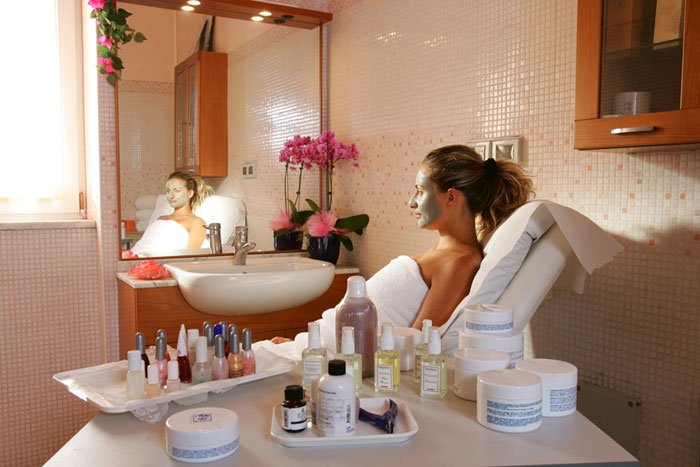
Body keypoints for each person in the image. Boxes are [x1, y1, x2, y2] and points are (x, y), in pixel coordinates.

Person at [268, 144, 533, 347]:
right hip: (314, 347)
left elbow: (415, 344)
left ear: (451, 197)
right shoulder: (445, 254)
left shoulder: (459, 262)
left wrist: (311, 352)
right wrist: (302, 344)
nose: (411, 202)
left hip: (331, 358)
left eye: (420, 191)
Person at [130, 171, 214, 257]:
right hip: (133, 258)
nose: (171, 196)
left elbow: (190, 257)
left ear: (190, 193)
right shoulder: (161, 218)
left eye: (177, 191)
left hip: (156, 263)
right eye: (168, 191)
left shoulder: (196, 222)